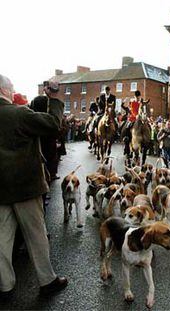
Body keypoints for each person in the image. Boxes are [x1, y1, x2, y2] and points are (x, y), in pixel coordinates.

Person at [0, 75, 67, 299]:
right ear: (6, 90)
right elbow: (53, 124)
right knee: (36, 235)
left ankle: (5, 285)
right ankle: (47, 281)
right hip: (25, 187)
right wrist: (55, 97)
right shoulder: (19, 113)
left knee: (2, 239)